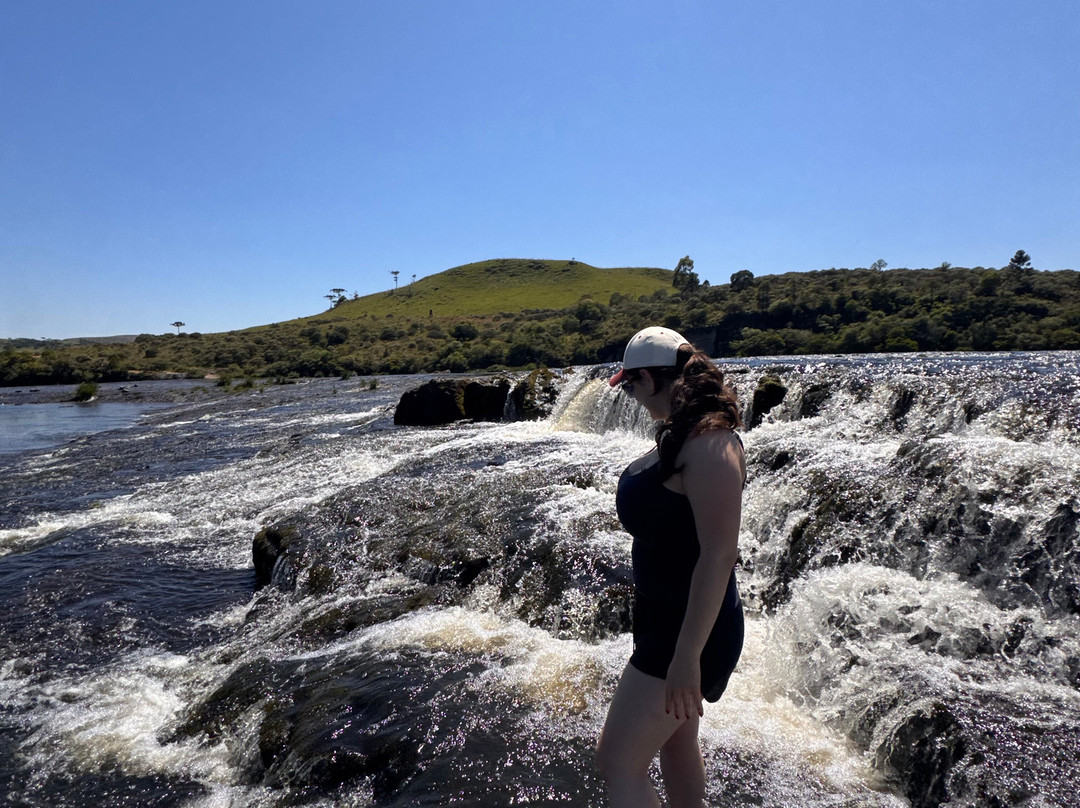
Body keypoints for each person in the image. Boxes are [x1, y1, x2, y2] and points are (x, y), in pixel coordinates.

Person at [596, 326, 745, 808]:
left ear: (650, 377)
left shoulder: (711, 445)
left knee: (617, 760)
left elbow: (719, 554)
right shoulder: (684, 435)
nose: (633, 397)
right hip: (666, 622)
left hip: (689, 634)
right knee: (676, 741)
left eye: (633, 386)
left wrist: (686, 657)